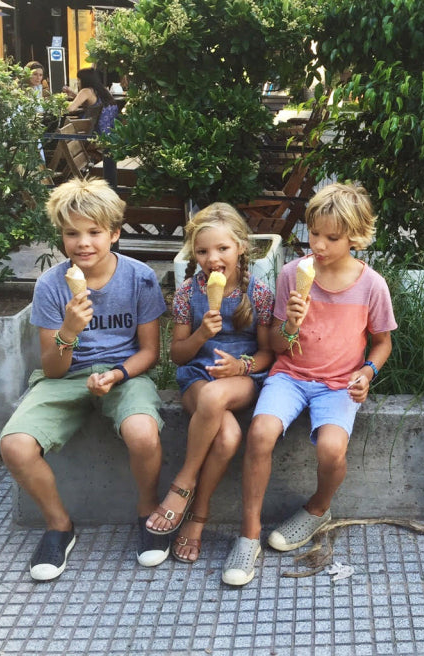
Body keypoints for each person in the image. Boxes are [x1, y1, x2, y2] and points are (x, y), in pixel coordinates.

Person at [222, 182, 397, 586]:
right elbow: (279, 346)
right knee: (261, 432)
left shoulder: (371, 285)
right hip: (292, 375)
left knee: (333, 448)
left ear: (357, 236)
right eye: (314, 233)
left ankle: (319, 509)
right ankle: (249, 534)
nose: (318, 244)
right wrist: (293, 323)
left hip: (338, 383)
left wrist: (367, 372)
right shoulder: (291, 274)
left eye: (332, 237)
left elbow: (382, 341)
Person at [0, 178, 170, 581]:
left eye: (94, 232)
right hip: (65, 376)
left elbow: (150, 352)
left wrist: (116, 374)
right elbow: (53, 369)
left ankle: (147, 511)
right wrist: (69, 332)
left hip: (124, 375)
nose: (83, 243)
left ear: (113, 233)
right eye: (71, 233)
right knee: (15, 446)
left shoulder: (140, 277)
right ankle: (59, 526)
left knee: (144, 433)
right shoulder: (49, 285)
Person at [144, 203, 275, 563]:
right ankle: (198, 518)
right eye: (202, 251)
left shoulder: (259, 294)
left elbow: (267, 355)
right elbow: (179, 356)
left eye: (222, 249)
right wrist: (201, 334)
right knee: (229, 436)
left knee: (218, 395)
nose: (211, 258)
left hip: (241, 378)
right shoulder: (188, 293)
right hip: (197, 377)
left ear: (242, 248)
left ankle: (182, 484)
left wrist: (240, 366)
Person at [63, 67, 118, 135]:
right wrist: (73, 94)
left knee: (64, 126)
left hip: (93, 132)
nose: (78, 82)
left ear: (85, 80)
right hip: (110, 132)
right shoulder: (103, 90)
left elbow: (70, 109)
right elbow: (92, 100)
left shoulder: (86, 91)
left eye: (79, 80)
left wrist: (61, 106)